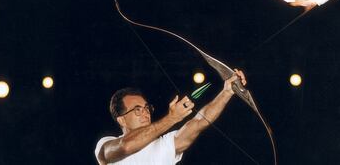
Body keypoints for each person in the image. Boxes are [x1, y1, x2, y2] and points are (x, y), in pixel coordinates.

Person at [95, 69, 247, 165]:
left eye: (147, 108)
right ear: (121, 119)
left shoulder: (164, 145)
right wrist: (172, 118)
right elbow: (125, 146)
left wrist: (227, 92)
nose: (145, 112)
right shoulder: (106, 144)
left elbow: (199, 122)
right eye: (137, 110)